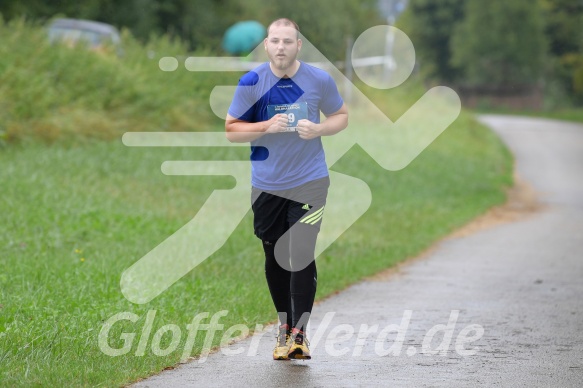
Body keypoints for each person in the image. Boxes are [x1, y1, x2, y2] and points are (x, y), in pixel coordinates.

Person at [225, 18, 348, 360]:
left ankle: (299, 335)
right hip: (267, 185)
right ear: (266, 45)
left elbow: (342, 116)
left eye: (288, 41)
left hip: (310, 180)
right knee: (274, 254)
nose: (281, 47)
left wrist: (319, 129)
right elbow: (232, 130)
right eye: (275, 41)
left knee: (300, 252)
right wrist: (266, 125)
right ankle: (284, 326)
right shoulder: (252, 82)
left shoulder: (318, 79)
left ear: (298, 46)